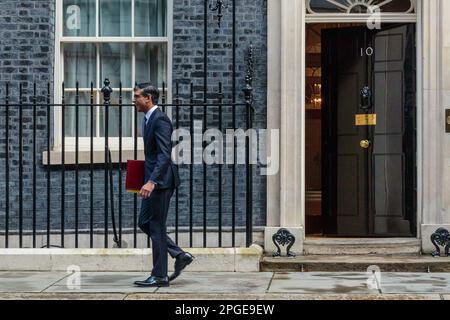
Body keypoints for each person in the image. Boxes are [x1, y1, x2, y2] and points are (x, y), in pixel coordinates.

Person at [132, 83, 194, 287]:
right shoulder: (147, 118)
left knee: (156, 226)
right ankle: (179, 254)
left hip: (161, 182)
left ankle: (160, 275)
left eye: (137, 96)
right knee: (145, 223)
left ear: (148, 98)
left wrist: (152, 181)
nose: (134, 100)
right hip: (153, 180)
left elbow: (164, 154)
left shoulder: (160, 120)